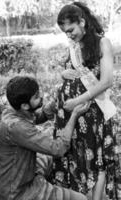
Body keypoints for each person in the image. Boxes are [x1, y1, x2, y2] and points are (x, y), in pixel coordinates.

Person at [51, 2, 119, 200]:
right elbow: (72, 72)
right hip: (72, 115)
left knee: (98, 160)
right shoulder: (74, 45)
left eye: (71, 29)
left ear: (82, 21)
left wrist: (77, 101)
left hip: (93, 111)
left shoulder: (102, 43)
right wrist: (64, 74)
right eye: (65, 32)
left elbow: (106, 81)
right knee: (76, 158)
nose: (68, 35)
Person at [0, 76, 90, 200]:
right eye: (36, 97)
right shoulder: (17, 127)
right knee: (81, 199)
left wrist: (56, 103)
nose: (42, 97)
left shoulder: (12, 111)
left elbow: (37, 116)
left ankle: (53, 188)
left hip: (14, 181)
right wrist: (74, 115)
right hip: (17, 193)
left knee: (47, 158)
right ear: (25, 106)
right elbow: (58, 148)